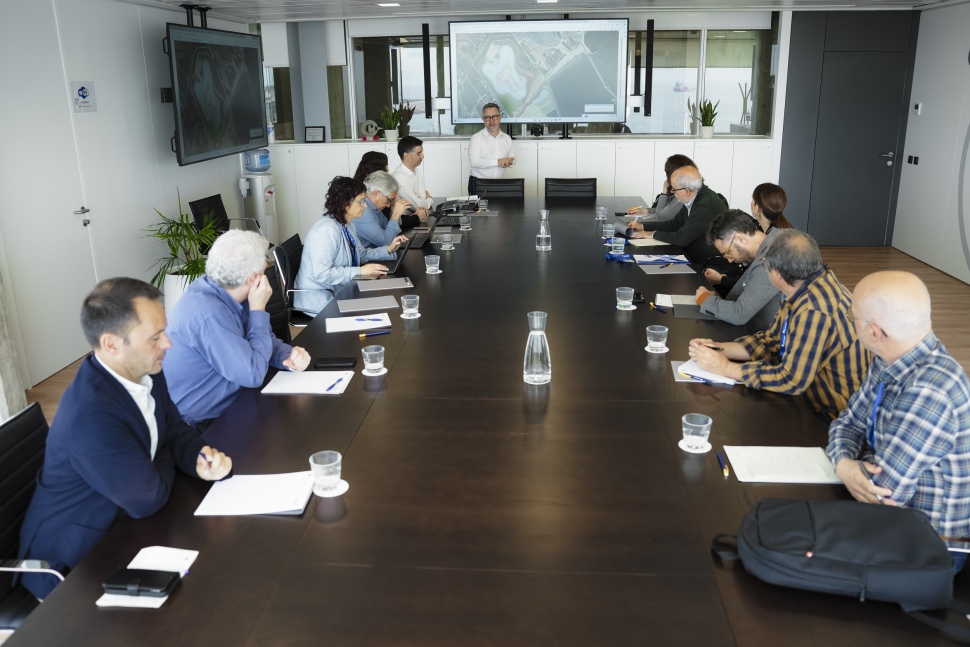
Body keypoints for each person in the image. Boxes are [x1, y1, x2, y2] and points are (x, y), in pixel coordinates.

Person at [17, 278, 233, 599]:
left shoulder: (145, 369)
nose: (168, 344)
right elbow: (148, 499)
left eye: (164, 331)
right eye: (155, 337)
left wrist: (200, 456)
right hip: (74, 565)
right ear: (112, 344)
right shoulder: (90, 414)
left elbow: (172, 428)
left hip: (126, 528)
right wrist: (163, 455)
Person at [825, 271, 970, 569]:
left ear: (874, 331)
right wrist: (844, 464)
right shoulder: (890, 357)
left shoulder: (931, 391)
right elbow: (847, 423)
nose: (852, 323)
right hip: (896, 523)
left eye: (854, 318)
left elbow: (885, 492)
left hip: (928, 548)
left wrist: (853, 464)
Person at [688, 230, 871, 421]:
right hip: (806, 396)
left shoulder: (814, 310)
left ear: (778, 274)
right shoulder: (805, 284)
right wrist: (720, 349)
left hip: (830, 416)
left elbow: (791, 379)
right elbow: (773, 340)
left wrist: (725, 368)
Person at [164, 230, 310, 428]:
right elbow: (253, 374)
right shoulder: (209, 314)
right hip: (203, 427)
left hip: (237, 399)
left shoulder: (226, 290)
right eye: (265, 268)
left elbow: (259, 340)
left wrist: (288, 356)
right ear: (252, 279)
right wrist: (258, 309)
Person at [295, 176, 409, 315]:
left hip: (341, 290)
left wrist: (388, 249)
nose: (365, 206)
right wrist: (360, 272)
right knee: (381, 309)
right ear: (345, 204)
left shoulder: (347, 224)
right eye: (361, 202)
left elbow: (361, 254)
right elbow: (322, 274)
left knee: (389, 303)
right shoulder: (326, 230)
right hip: (321, 300)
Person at [630, 166, 741, 281]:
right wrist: (644, 226)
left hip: (709, 263)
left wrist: (653, 234)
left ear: (686, 191)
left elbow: (681, 238)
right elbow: (675, 224)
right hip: (691, 254)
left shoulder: (705, 204)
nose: (672, 192)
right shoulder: (694, 197)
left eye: (674, 189)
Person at [693, 210, 783, 331]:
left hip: (770, 340)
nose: (729, 260)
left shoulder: (770, 259)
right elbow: (736, 296)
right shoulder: (775, 238)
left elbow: (739, 314)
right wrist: (715, 301)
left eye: (728, 253)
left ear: (740, 239)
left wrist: (704, 299)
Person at [626, 154, 695, 224]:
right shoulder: (690, 186)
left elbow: (661, 217)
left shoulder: (683, 193)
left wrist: (664, 193)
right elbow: (667, 211)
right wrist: (645, 211)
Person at [468, 102, 515, 193]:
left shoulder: (507, 138)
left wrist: (509, 162)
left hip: (499, 184)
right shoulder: (476, 138)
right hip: (478, 184)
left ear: (500, 117)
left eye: (495, 116)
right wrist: (497, 162)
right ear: (483, 119)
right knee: (477, 208)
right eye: (487, 117)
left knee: (500, 208)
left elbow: (513, 158)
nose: (492, 121)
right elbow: (474, 162)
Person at [391, 136, 434, 220]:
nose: (422, 156)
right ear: (406, 155)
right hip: (405, 221)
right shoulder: (399, 177)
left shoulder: (416, 170)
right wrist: (430, 199)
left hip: (418, 217)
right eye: (418, 154)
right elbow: (417, 206)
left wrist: (422, 200)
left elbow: (422, 196)